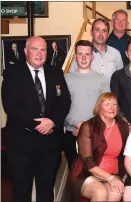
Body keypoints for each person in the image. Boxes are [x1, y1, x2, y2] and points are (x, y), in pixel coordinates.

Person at [1, 36, 71, 202]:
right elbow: (10, 106)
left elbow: (64, 101)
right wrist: (38, 125)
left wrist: (52, 122)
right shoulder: (12, 73)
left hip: (49, 145)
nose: (39, 54)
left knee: (46, 193)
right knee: (21, 192)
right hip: (21, 145)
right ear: (25, 51)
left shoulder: (56, 73)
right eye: (34, 49)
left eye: (43, 50)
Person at [67, 92, 129, 201]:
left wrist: (123, 175)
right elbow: (88, 161)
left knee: (116, 193)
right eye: (107, 104)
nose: (112, 107)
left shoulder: (122, 125)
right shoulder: (88, 126)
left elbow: (126, 154)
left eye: (114, 104)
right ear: (99, 107)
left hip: (113, 173)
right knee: (100, 193)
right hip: (86, 174)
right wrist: (110, 178)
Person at [64, 40, 110, 169]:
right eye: (80, 54)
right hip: (72, 133)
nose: (84, 58)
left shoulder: (102, 79)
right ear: (75, 56)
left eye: (87, 54)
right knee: (75, 174)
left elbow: (106, 107)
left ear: (92, 56)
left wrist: (86, 128)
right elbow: (61, 107)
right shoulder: (65, 79)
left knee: (96, 173)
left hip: (97, 133)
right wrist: (77, 124)